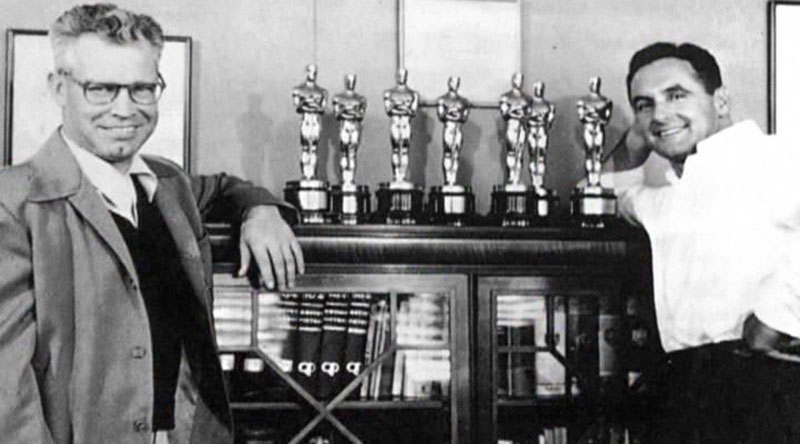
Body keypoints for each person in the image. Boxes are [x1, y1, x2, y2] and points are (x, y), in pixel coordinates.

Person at [0, 4, 304, 444]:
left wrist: (261, 212)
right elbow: (9, 402)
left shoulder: (168, 183)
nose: (125, 109)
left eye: (141, 89)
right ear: (58, 88)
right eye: (101, 89)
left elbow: (226, 189)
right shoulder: (13, 204)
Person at [605, 42, 800, 444]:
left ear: (721, 100)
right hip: (685, 394)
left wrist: (777, 316)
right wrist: (635, 144)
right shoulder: (670, 197)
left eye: (677, 95)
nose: (660, 113)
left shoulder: (776, 157)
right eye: (644, 104)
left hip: (767, 390)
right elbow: (607, 195)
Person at [383, 68, 419, 186]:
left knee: (404, 150)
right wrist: (404, 107)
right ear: (396, 76)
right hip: (395, 123)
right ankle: (396, 176)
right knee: (395, 149)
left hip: (405, 124)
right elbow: (389, 110)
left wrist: (397, 106)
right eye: (399, 75)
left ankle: (402, 176)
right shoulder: (389, 93)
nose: (401, 77)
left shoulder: (413, 94)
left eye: (403, 75)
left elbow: (412, 111)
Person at [292, 64, 327, 182]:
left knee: (314, 149)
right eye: (311, 71)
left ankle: (312, 174)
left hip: (315, 122)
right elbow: (298, 107)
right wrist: (313, 104)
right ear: (306, 72)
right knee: (305, 148)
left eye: (315, 72)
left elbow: (322, 109)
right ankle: (306, 175)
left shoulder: (322, 92)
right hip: (306, 121)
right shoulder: (299, 90)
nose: (313, 74)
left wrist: (307, 103)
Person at [332, 74, 366, 189]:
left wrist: (346, 111)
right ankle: (344, 179)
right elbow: (337, 114)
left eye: (353, 80)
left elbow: (360, 116)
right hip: (345, 127)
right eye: (349, 80)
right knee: (343, 153)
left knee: (352, 154)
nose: (351, 83)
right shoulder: (338, 98)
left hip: (354, 128)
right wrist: (353, 112)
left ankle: (350, 179)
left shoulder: (360, 99)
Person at [498, 72, 532, 188]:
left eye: (521, 79)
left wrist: (517, 112)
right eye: (517, 79)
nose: (519, 82)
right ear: (513, 80)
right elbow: (505, 113)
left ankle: (517, 178)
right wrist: (516, 111)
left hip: (521, 127)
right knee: (511, 152)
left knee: (520, 153)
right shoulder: (506, 97)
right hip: (512, 125)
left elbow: (528, 115)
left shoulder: (526, 99)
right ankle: (511, 178)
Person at [435, 76, 470, 187]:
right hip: (449, 128)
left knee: (455, 155)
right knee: (448, 153)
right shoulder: (442, 100)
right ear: (449, 83)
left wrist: (451, 113)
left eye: (457, 82)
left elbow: (464, 117)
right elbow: (441, 116)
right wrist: (455, 115)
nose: (455, 84)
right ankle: (447, 179)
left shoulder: (463, 101)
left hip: (458, 129)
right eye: (453, 82)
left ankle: (453, 179)